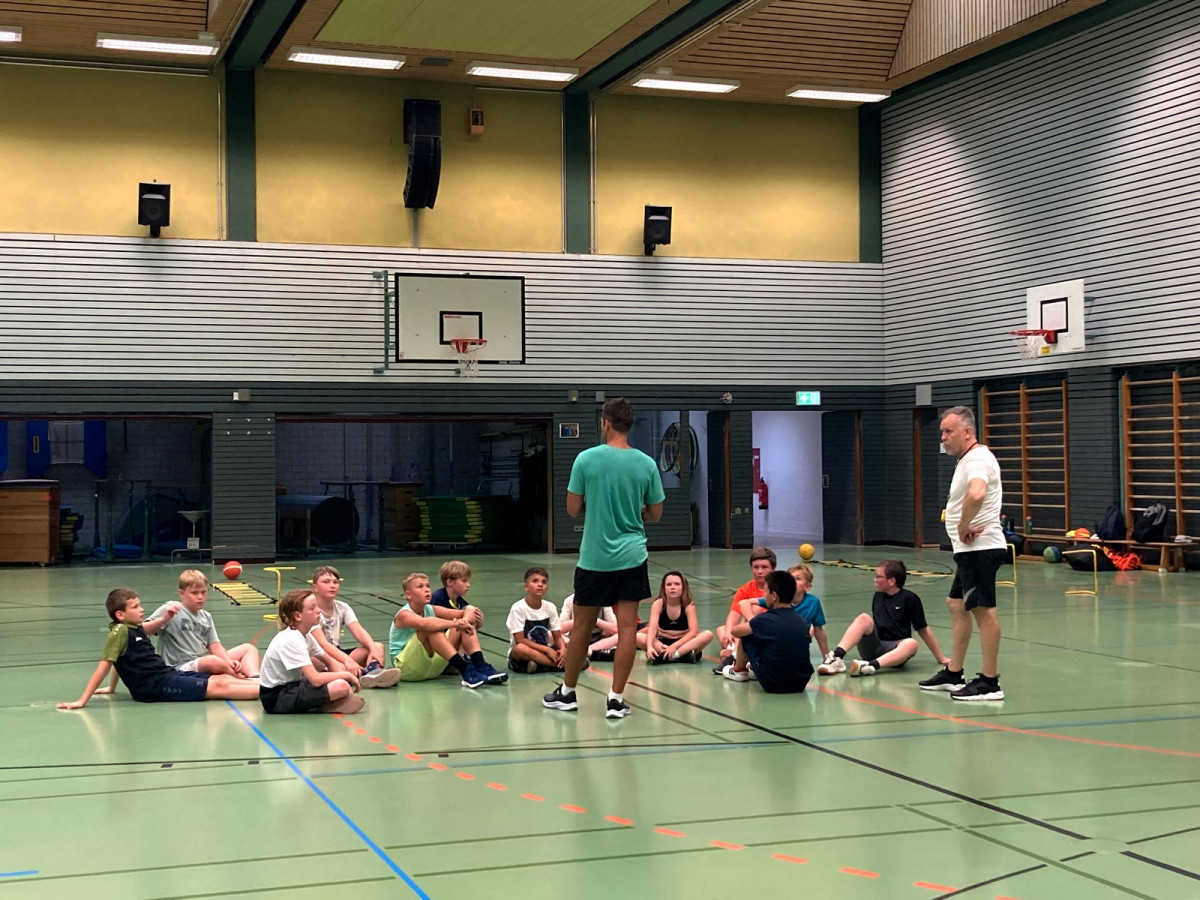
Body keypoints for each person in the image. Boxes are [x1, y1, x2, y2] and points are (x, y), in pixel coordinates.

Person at [544, 397, 664, 718]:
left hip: (595, 558)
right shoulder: (646, 464)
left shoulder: (586, 459)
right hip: (632, 556)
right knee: (627, 630)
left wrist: (595, 503)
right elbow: (655, 513)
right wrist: (635, 510)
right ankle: (616, 699)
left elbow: (572, 509)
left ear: (605, 423)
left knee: (581, 628)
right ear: (629, 425)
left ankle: (567, 693)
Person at [919, 405, 1007, 701]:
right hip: (970, 550)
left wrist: (963, 525)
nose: (943, 437)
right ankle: (953, 672)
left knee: (983, 611)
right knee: (956, 604)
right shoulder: (969, 459)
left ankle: (990, 682)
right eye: (942, 431)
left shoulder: (977, 460)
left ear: (967, 432)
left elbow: (977, 493)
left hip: (980, 549)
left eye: (949, 431)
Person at [57, 589, 260, 709]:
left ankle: (264, 684)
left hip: (165, 675)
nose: (142, 610)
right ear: (120, 615)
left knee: (220, 678)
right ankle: (269, 691)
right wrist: (82, 700)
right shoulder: (119, 631)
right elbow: (105, 665)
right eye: (135, 607)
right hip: (153, 687)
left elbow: (121, 659)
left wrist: (111, 688)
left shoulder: (133, 628)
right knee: (219, 686)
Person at [817, 559, 949, 677]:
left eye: (878, 576)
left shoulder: (910, 599)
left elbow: (923, 630)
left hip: (895, 652)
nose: (875, 579)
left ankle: (869, 666)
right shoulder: (878, 597)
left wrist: (940, 658)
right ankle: (837, 658)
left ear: (891, 581)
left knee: (912, 643)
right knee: (864, 618)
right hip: (874, 646)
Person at [389, 572, 507, 688]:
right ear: (408, 594)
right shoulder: (404, 614)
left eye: (428, 586)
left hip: (433, 668)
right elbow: (424, 623)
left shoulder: (431, 609)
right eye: (420, 587)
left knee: (462, 624)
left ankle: (481, 666)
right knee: (429, 628)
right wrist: (456, 623)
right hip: (407, 669)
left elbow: (469, 610)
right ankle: (466, 670)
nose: (426, 590)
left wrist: (464, 621)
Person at [259, 589, 363, 714]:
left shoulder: (306, 635)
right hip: (276, 698)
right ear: (298, 616)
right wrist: (346, 676)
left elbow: (329, 661)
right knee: (341, 685)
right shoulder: (291, 639)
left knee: (339, 683)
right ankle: (325, 705)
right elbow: (316, 679)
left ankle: (331, 701)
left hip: (293, 686)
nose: (318, 611)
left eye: (317, 606)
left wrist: (344, 683)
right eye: (312, 608)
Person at [150, 569, 260, 679]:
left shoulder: (206, 616)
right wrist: (163, 619)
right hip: (180, 667)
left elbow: (215, 645)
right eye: (194, 593)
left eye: (203, 592)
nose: (200, 597)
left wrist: (229, 662)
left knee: (248, 649)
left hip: (202, 661)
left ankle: (255, 678)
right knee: (212, 661)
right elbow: (143, 630)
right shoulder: (171, 608)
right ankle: (240, 679)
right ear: (182, 593)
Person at [306, 565, 400, 689]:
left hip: (337, 653)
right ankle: (359, 675)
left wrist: (373, 649)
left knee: (378, 646)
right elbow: (323, 644)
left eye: (335, 582)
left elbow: (358, 630)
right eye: (326, 582)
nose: (332, 585)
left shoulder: (342, 607)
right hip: (320, 656)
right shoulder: (311, 610)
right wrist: (348, 661)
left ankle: (373, 674)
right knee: (314, 660)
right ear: (315, 588)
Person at [721, 571, 812, 693]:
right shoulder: (801, 620)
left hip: (773, 683)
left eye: (766, 592)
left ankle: (739, 670)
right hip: (801, 683)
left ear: (774, 596)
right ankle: (753, 668)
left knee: (747, 636)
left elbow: (735, 631)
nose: (764, 595)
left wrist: (752, 621)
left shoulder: (765, 619)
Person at [739, 563, 829, 661]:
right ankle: (740, 658)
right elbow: (744, 603)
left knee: (810, 629)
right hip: (775, 640)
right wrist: (753, 622)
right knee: (755, 609)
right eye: (790, 578)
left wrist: (826, 657)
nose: (793, 581)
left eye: (797, 579)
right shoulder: (777, 598)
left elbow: (819, 630)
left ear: (807, 586)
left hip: (796, 641)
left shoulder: (813, 602)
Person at [713, 547, 776, 673]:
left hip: (768, 631)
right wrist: (728, 632)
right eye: (756, 567)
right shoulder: (745, 589)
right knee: (722, 630)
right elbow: (734, 613)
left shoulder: (777, 589)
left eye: (764, 567)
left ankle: (734, 656)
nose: (760, 571)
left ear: (773, 569)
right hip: (750, 630)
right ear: (751, 568)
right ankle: (737, 654)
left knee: (755, 608)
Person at [506, 567, 568, 673]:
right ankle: (562, 665)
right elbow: (520, 640)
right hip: (524, 654)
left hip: (544, 651)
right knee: (520, 648)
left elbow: (557, 636)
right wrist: (547, 650)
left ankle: (540, 665)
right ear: (526, 587)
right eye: (535, 581)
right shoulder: (518, 608)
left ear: (547, 588)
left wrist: (563, 650)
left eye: (544, 582)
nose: (540, 584)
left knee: (571, 645)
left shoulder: (550, 607)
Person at [644, 571, 713, 664]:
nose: (672, 587)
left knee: (708, 634)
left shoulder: (688, 605)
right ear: (664, 588)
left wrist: (674, 647)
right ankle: (683, 655)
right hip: (662, 643)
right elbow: (652, 629)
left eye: (677, 584)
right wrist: (649, 647)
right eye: (669, 584)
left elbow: (693, 632)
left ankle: (672, 656)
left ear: (683, 587)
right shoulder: (658, 604)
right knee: (638, 637)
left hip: (683, 643)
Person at [559, 593, 619, 660]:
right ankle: (589, 652)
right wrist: (580, 620)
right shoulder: (569, 600)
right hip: (575, 640)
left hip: (598, 641)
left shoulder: (603, 601)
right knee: (551, 634)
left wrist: (596, 621)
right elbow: (559, 629)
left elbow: (615, 629)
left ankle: (586, 651)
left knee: (619, 636)